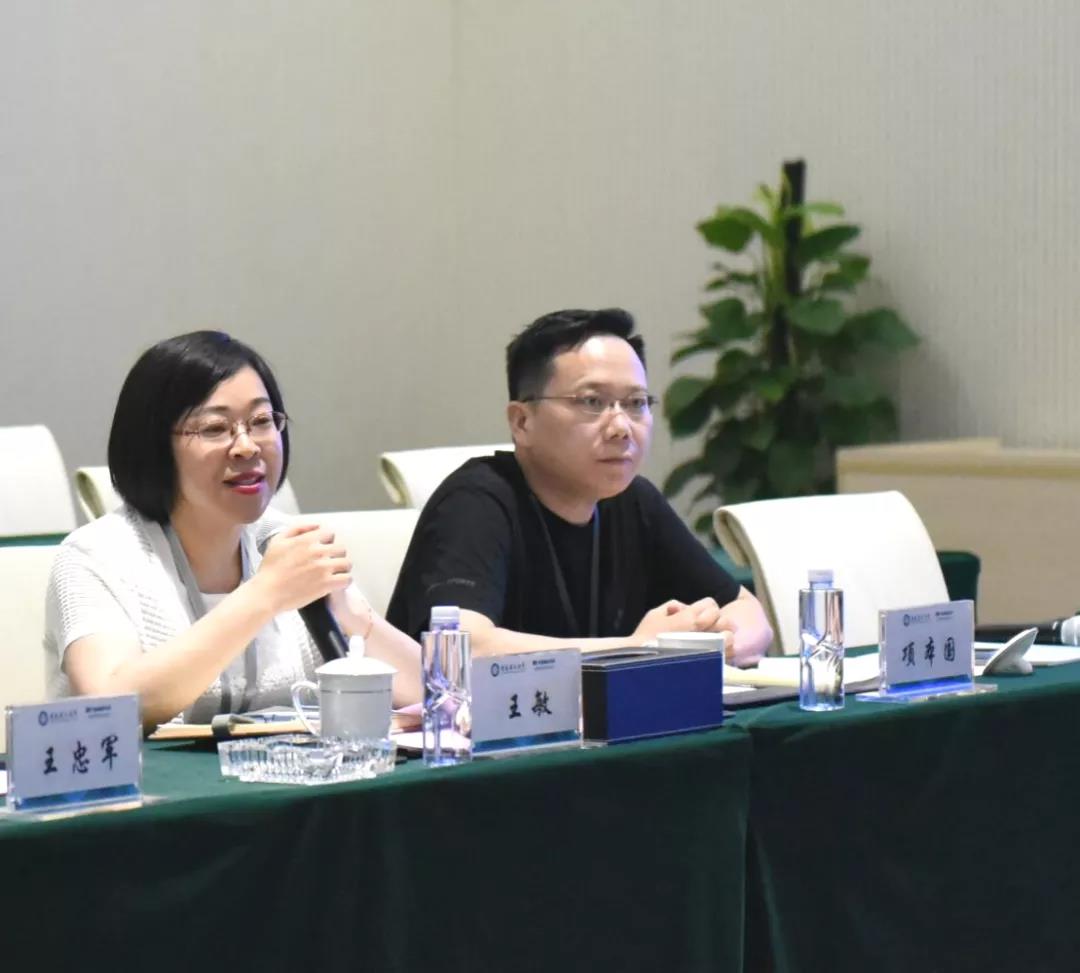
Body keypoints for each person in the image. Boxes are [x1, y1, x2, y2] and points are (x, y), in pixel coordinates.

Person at [45, 331, 421, 730]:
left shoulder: (289, 544)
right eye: (214, 428)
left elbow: (438, 695)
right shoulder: (96, 556)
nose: (247, 446)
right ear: (153, 445)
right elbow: (108, 705)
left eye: (261, 422)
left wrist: (352, 617)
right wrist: (265, 594)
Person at [386, 308, 773, 664]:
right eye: (592, 401)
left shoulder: (633, 501)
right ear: (522, 422)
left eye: (636, 403)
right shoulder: (475, 502)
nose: (621, 427)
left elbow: (748, 612)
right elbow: (460, 649)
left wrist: (721, 641)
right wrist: (638, 648)